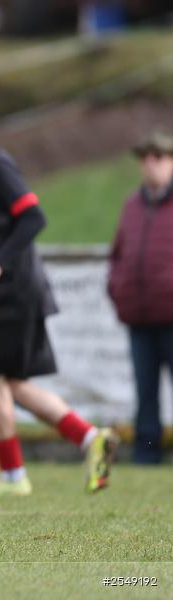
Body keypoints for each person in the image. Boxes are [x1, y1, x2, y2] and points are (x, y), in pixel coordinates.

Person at [0, 80, 118, 495]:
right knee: (9, 382)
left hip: (13, 290)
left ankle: (14, 476)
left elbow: (33, 218)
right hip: (5, 290)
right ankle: (90, 438)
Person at [108, 130, 173, 465]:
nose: (150, 165)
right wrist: (118, 292)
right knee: (145, 393)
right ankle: (146, 458)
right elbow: (118, 254)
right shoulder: (132, 205)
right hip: (140, 317)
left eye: (158, 157)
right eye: (145, 158)